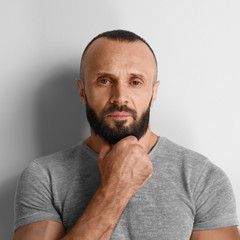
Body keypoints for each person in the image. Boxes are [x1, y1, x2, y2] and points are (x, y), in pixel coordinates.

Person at [14, 30, 239, 240]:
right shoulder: (44, 177)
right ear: (82, 91)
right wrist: (115, 189)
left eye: (135, 82)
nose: (120, 97)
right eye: (105, 81)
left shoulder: (202, 178)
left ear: (154, 92)